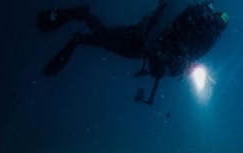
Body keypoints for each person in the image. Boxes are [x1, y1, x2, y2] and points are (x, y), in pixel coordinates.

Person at [36, 1, 229, 105]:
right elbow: (172, 42)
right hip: (141, 37)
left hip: (143, 48)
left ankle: (80, 38)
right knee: (105, 37)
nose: (214, 31)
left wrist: (171, 65)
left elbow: (183, 59)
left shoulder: (203, 38)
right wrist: (166, 59)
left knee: (107, 43)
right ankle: (82, 15)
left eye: (218, 30)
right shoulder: (195, 25)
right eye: (215, 27)